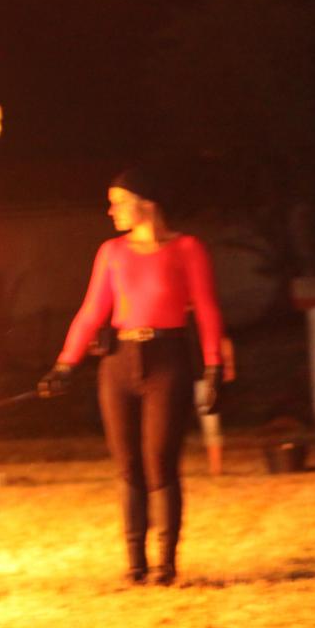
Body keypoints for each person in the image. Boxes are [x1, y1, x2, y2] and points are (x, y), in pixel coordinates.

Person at [39, 168, 225, 585]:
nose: (111, 211)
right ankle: (135, 563)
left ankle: (165, 564)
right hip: (119, 362)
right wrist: (65, 364)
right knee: (127, 463)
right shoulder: (111, 252)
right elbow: (92, 310)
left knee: (160, 460)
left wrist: (214, 367)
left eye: (119, 202)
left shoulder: (187, 249)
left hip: (167, 359)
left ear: (148, 203)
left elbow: (207, 308)